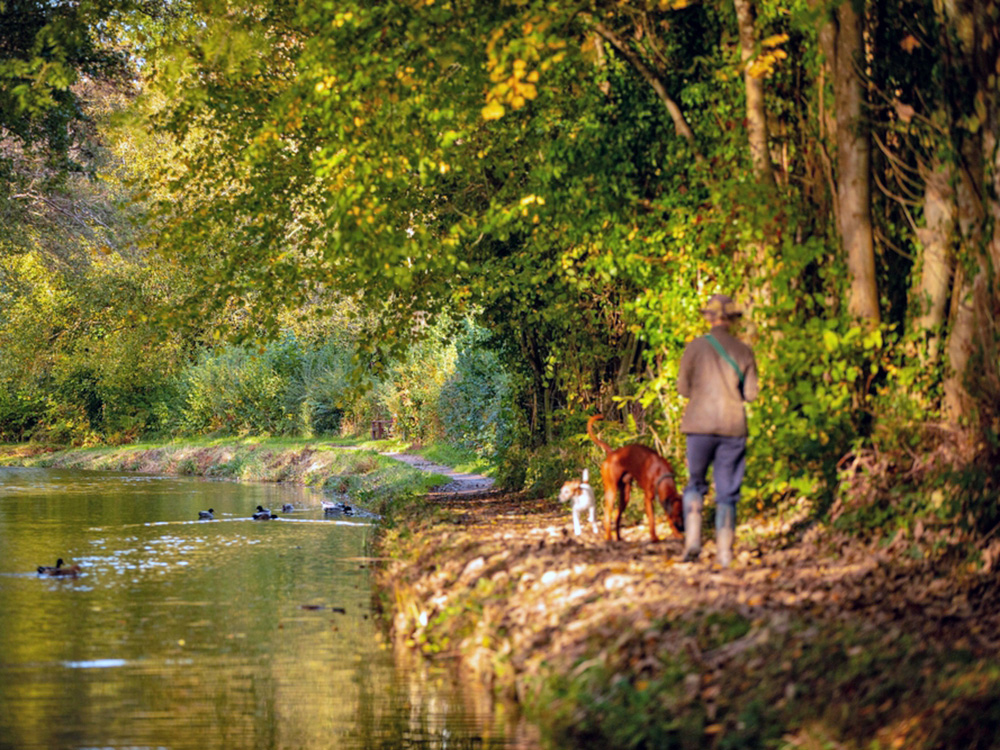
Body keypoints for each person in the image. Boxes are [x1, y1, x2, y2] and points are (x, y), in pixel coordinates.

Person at [677, 294, 759, 567]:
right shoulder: (743, 351)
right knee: (727, 491)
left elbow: (682, 389)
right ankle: (724, 553)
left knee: (695, 483)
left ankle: (693, 542)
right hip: (732, 427)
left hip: (699, 426)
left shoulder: (694, 348)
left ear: (709, 318)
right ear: (733, 320)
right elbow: (751, 395)